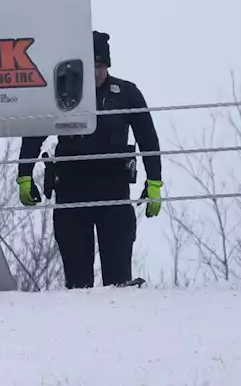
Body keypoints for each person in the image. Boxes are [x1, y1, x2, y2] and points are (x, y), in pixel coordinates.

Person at [16, 30, 164, 288]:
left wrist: (154, 183)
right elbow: (33, 135)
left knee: (119, 279)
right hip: (72, 189)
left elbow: (148, 139)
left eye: (100, 65)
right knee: (77, 282)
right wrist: (24, 175)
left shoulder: (126, 93)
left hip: (114, 190)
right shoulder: (61, 94)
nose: (96, 72)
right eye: (90, 65)